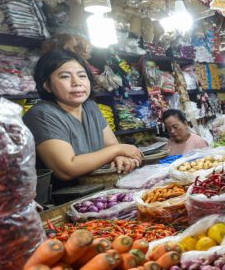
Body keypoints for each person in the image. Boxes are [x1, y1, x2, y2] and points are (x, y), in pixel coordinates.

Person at [23, 50, 143, 184]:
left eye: (82, 75)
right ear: (47, 86)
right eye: (65, 76)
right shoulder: (42, 114)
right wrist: (118, 150)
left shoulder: (90, 107)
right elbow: (67, 169)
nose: (76, 82)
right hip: (61, 198)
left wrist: (118, 156)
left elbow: (110, 145)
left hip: (96, 189)